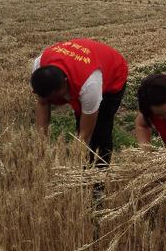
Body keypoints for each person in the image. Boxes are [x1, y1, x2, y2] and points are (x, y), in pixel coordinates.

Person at [31, 38, 128, 166]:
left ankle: (99, 174)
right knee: (81, 120)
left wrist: (76, 157)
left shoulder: (90, 84)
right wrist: (40, 143)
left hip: (113, 73)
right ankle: (83, 165)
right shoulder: (39, 65)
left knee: (100, 130)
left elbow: (85, 133)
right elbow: (42, 104)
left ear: (66, 82)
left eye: (59, 96)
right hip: (85, 62)